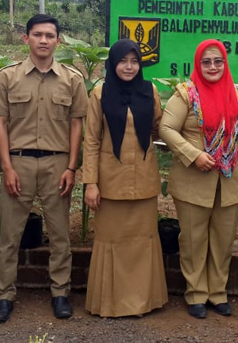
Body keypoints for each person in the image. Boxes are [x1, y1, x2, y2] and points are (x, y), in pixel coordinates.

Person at [0, 14, 88, 323]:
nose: (43, 40)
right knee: (10, 235)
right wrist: (6, 166)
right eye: (37, 34)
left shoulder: (72, 79)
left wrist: (71, 167)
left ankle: (60, 293)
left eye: (50, 35)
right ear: (25, 38)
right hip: (19, 163)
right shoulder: (7, 77)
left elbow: (76, 123)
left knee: (60, 236)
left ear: (58, 41)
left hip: (58, 164)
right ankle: (4, 295)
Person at [159, 39, 238, 319]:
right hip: (193, 179)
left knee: (223, 240)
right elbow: (166, 128)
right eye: (206, 62)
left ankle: (218, 293)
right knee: (193, 239)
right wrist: (193, 154)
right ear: (198, 64)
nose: (213, 66)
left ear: (226, 63)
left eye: (218, 61)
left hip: (230, 181)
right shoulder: (186, 94)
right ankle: (196, 294)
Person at [82, 39, 169, 317]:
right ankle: (110, 303)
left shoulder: (150, 90)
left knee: (143, 241)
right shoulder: (99, 93)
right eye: (123, 61)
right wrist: (91, 183)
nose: (129, 66)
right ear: (113, 63)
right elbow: (92, 140)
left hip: (143, 179)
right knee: (111, 241)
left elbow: (159, 128)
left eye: (134, 61)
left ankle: (144, 301)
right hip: (110, 182)